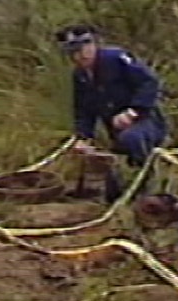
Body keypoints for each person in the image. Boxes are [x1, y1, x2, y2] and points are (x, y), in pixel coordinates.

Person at [54, 24, 169, 202]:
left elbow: (149, 82)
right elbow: (84, 110)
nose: (82, 54)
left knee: (132, 141)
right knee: (113, 193)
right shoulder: (80, 76)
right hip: (116, 131)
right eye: (75, 51)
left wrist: (133, 111)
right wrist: (83, 137)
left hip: (146, 122)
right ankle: (122, 198)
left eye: (86, 47)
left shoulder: (116, 58)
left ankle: (148, 190)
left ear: (94, 44)